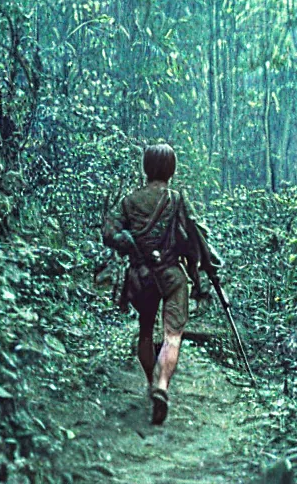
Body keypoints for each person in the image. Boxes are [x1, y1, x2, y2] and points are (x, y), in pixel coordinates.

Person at [102, 143, 221, 425]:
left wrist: (129, 246)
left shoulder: (129, 201)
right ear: (171, 169)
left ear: (146, 167)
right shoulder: (177, 199)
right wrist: (202, 273)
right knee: (172, 336)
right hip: (172, 275)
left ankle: (149, 383)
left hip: (141, 276)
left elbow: (109, 232)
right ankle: (162, 386)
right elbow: (194, 236)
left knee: (145, 331)